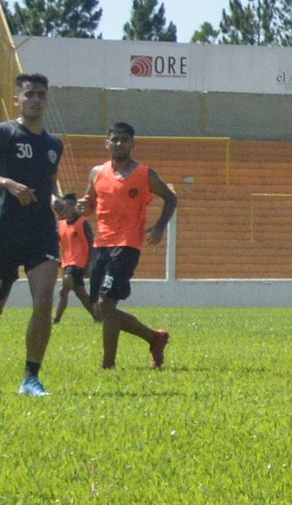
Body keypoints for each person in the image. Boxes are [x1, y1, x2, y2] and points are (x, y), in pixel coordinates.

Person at [81, 123, 176, 369]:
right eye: (115, 139)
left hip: (127, 244)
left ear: (133, 143)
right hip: (101, 244)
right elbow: (89, 203)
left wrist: (159, 226)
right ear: (107, 142)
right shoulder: (97, 173)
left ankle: (108, 364)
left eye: (124, 139)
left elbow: (170, 197)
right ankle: (154, 337)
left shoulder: (144, 174)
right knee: (101, 309)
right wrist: (83, 206)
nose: (119, 144)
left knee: (106, 304)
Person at [0, 73, 65, 396]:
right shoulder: (5, 133)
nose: (35, 100)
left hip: (41, 233)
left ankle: (31, 377)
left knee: (43, 302)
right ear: (17, 99)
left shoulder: (54, 144)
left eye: (41, 94)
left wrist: (58, 202)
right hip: (4, 231)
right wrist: (7, 183)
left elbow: (51, 183)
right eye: (29, 94)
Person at [52, 193, 93, 324]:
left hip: (78, 263)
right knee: (80, 292)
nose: (66, 208)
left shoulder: (83, 223)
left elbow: (91, 245)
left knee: (64, 289)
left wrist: (89, 264)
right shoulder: (60, 224)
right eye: (65, 206)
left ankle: (56, 319)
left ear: (74, 206)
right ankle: (98, 316)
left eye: (70, 205)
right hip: (66, 262)